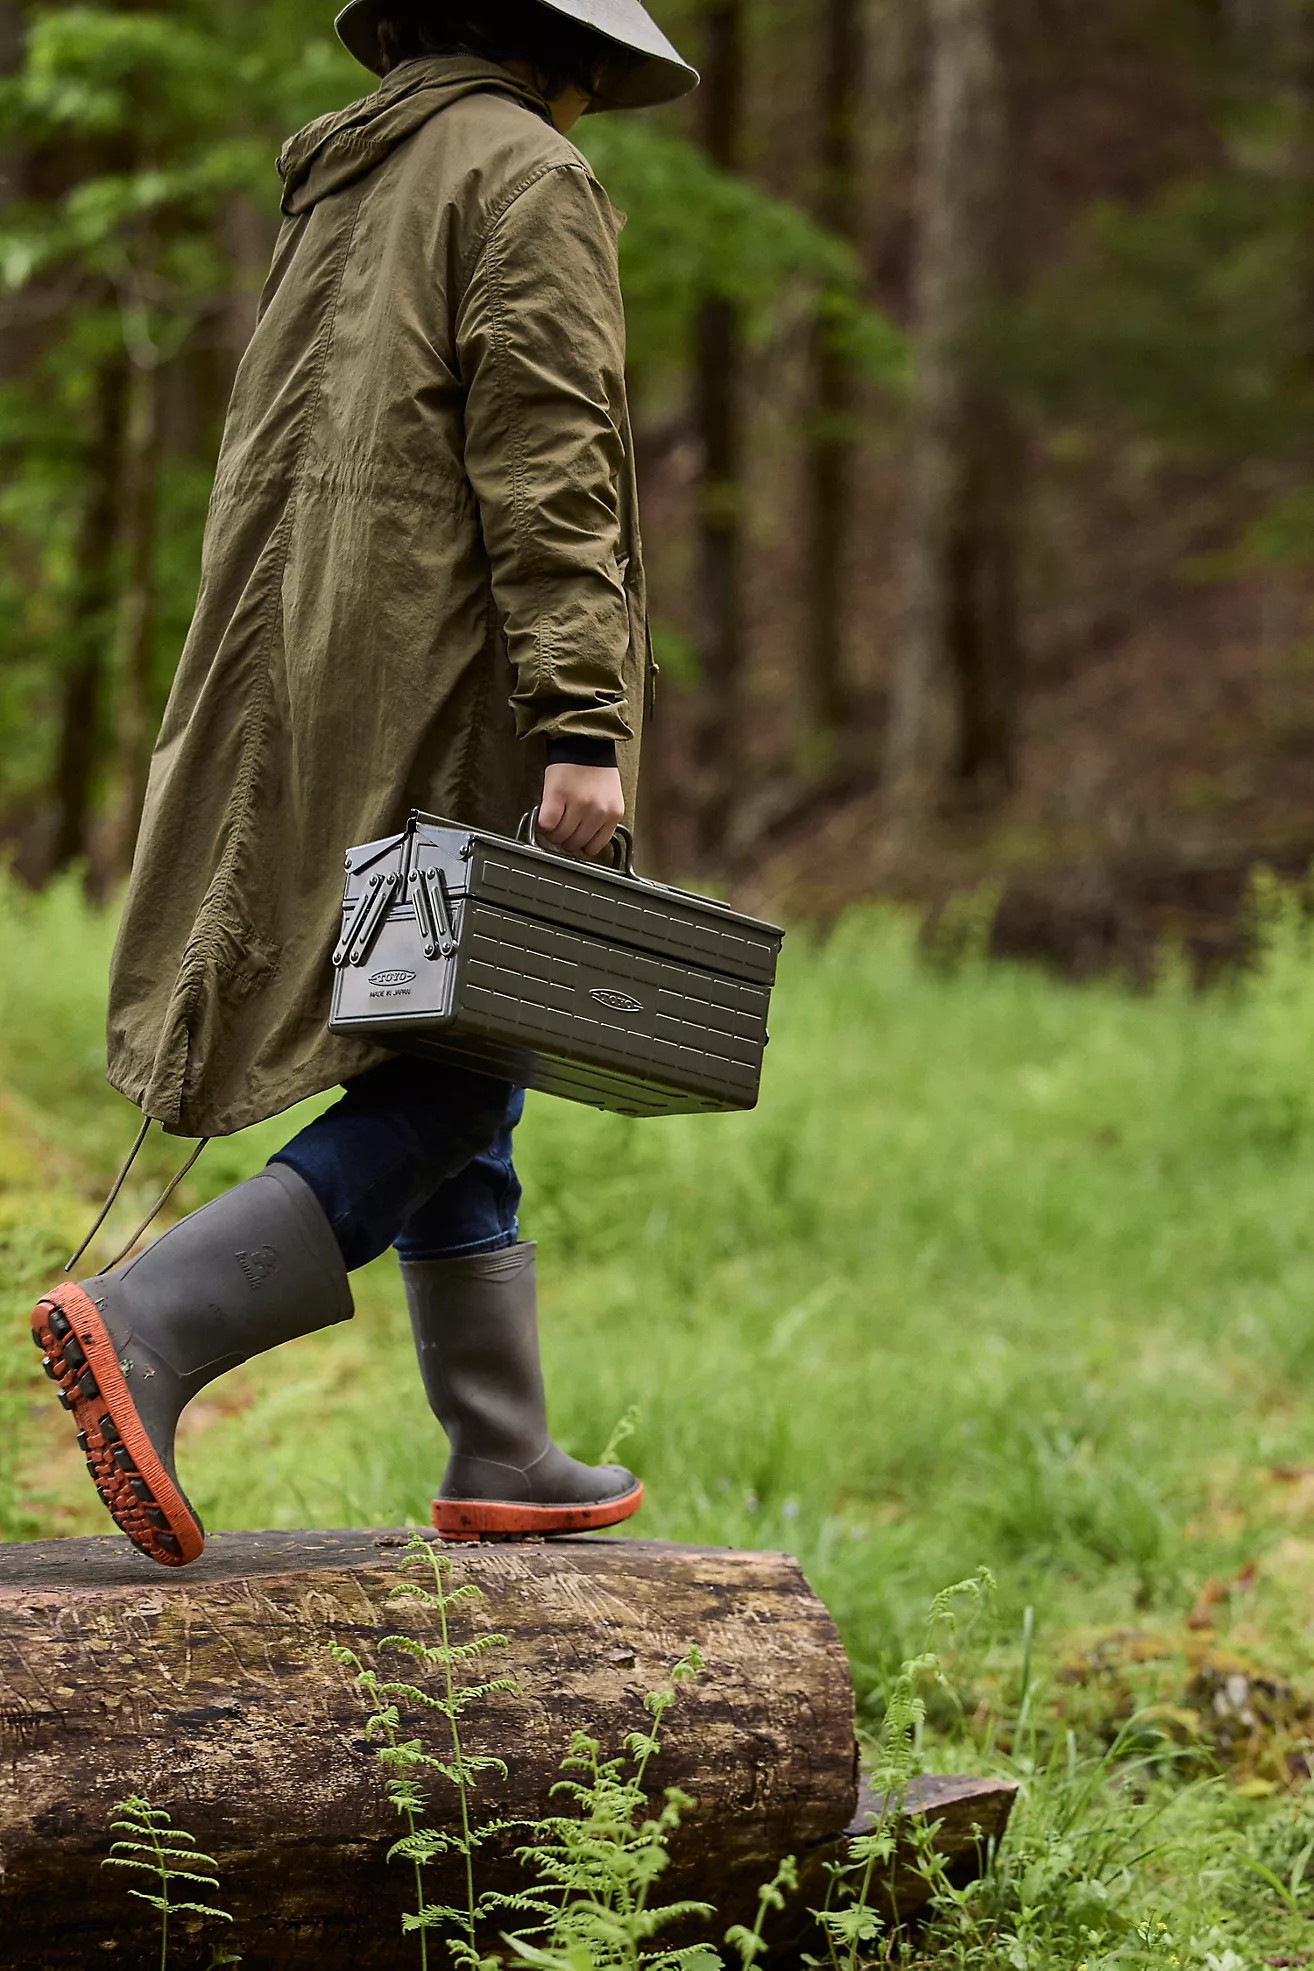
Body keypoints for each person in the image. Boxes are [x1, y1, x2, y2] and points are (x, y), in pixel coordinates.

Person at [29, 0, 697, 1566]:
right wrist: (580, 721)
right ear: (566, 50)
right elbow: (552, 458)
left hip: (308, 670)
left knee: (453, 1020)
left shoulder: (347, 175)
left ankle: (501, 1442)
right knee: (465, 1051)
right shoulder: (519, 169)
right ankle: (153, 1321)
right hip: (440, 666)